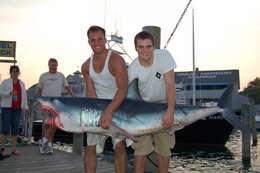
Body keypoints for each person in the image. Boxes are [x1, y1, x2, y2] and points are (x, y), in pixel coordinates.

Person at [81, 25, 128, 173]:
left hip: (118, 106)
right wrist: (97, 113)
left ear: (105, 40)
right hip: (98, 108)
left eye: (100, 39)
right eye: (93, 40)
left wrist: (109, 112)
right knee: (90, 147)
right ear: (89, 42)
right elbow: (90, 92)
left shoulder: (116, 60)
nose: (97, 43)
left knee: (119, 146)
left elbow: (123, 90)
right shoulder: (86, 66)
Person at [128, 31, 177, 173]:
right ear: (136, 48)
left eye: (148, 46)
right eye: (141, 47)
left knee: (164, 148)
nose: (145, 51)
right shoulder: (133, 69)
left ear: (154, 46)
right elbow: (130, 97)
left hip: (163, 104)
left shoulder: (164, 56)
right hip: (142, 107)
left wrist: (170, 111)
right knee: (140, 148)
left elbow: (170, 84)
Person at [37, 58, 74, 154]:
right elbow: (39, 90)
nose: (53, 66)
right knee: (46, 125)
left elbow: (67, 87)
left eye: (55, 65)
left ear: (57, 65)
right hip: (45, 103)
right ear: (48, 65)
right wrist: (38, 101)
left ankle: (45, 141)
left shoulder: (61, 76)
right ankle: (47, 146)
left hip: (56, 104)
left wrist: (74, 96)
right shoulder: (43, 76)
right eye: (52, 65)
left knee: (56, 123)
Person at [0, 65, 28, 156]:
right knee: (5, 128)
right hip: (7, 108)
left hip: (17, 108)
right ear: (10, 73)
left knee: (15, 129)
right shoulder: (5, 82)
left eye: (16, 71)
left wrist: (25, 107)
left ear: (18, 73)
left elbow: (24, 96)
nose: (14, 73)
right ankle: (2, 148)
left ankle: (14, 149)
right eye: (13, 71)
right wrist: (9, 93)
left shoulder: (22, 83)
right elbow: (1, 93)